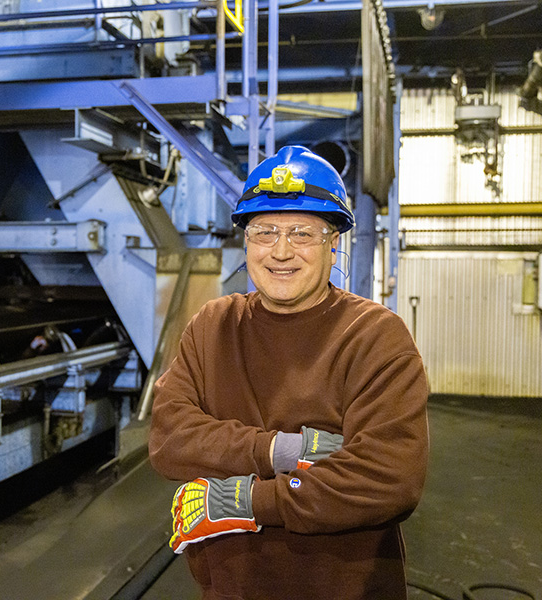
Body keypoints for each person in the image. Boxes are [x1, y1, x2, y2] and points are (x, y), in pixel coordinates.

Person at [148, 145, 429, 600]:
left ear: (332, 241)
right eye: (264, 232)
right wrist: (281, 451)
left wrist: (246, 502)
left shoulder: (375, 336)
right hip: (229, 586)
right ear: (245, 240)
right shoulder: (213, 326)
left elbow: (387, 479)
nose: (280, 251)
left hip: (342, 588)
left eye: (301, 232)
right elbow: (169, 439)